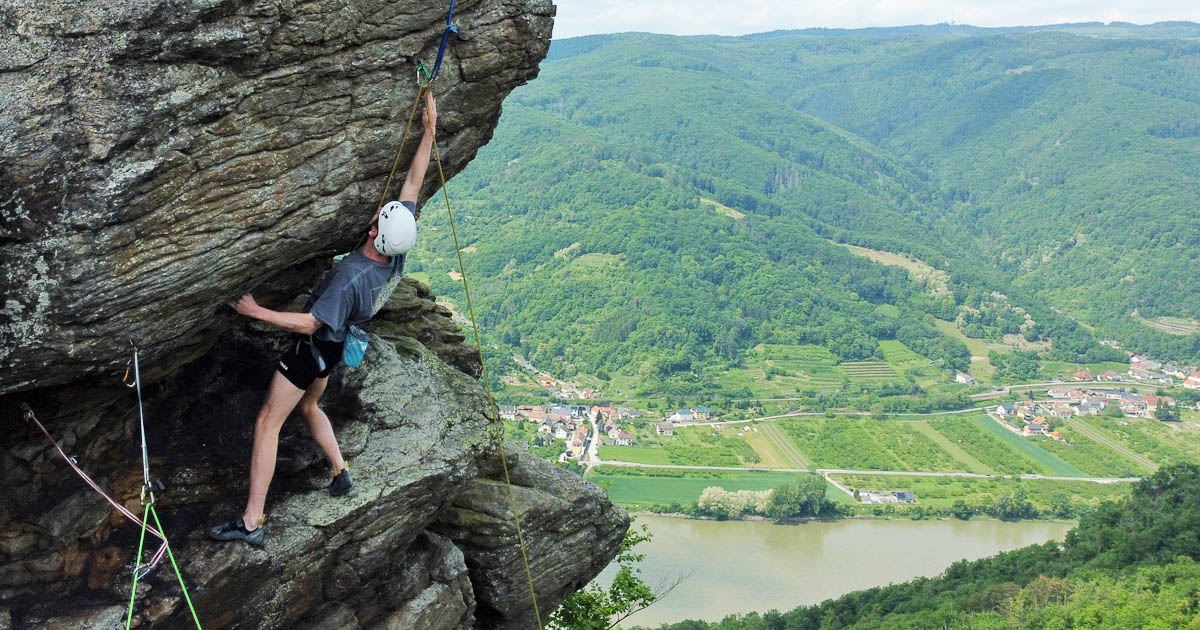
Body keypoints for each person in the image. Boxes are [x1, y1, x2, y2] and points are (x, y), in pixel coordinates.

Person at [210, 91, 438, 546]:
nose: (378, 212)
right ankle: (340, 471)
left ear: (374, 230)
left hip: (313, 349)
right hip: (335, 350)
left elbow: (310, 324)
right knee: (311, 406)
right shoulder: (395, 253)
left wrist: (257, 312)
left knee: (267, 424)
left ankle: (251, 521)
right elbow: (411, 186)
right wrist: (430, 131)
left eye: (378, 216)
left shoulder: (350, 277)